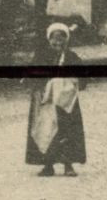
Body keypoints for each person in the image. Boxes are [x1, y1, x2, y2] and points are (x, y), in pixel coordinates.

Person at [26, 23, 87, 177]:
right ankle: (48, 165)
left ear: (67, 40)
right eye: (54, 39)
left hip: (66, 102)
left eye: (61, 39)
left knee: (67, 131)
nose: (57, 43)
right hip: (46, 100)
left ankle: (68, 165)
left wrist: (71, 83)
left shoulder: (72, 57)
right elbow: (32, 76)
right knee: (45, 130)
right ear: (49, 40)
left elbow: (83, 78)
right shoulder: (41, 57)